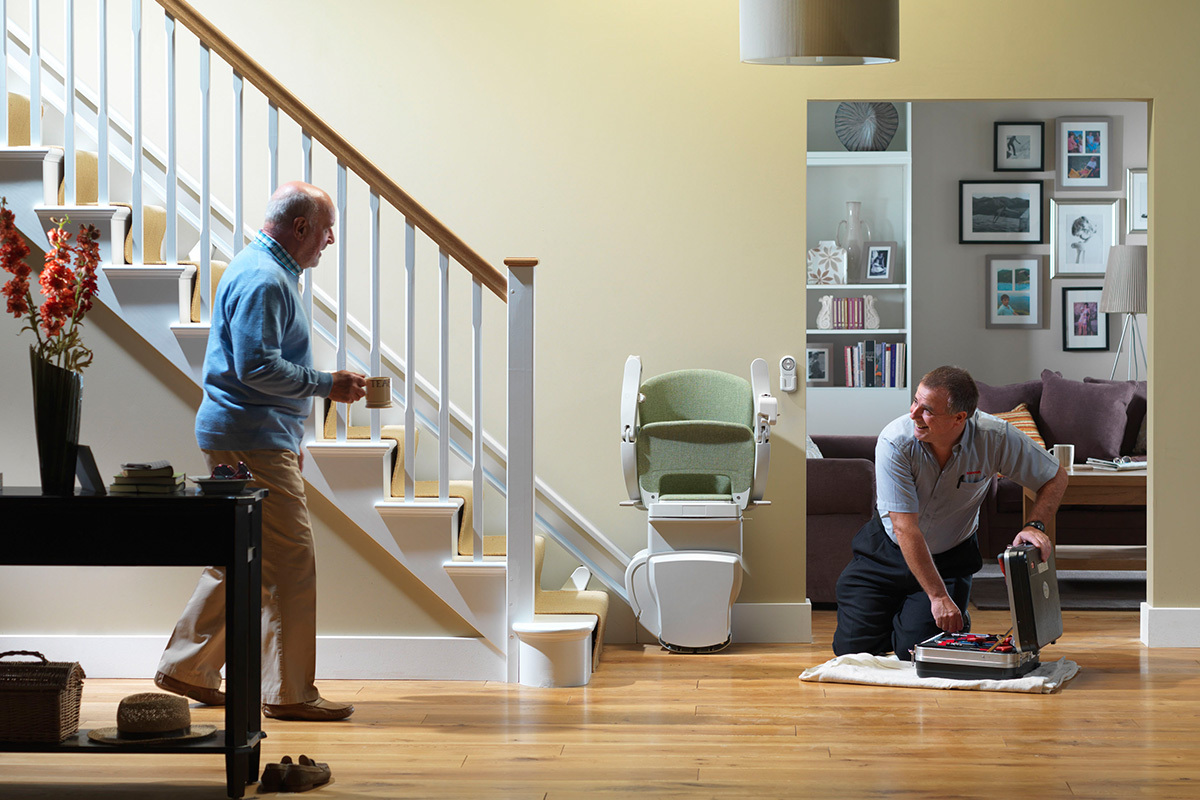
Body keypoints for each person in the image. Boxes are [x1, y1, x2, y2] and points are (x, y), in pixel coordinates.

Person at [155, 182, 367, 721]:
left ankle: (188, 665)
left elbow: (252, 370)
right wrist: (327, 385)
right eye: (326, 229)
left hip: (251, 435)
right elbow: (256, 367)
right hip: (249, 435)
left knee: (242, 554)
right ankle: (289, 693)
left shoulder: (264, 271)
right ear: (300, 229)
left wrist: (289, 439)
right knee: (290, 563)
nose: (331, 240)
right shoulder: (264, 279)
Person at [831, 366, 1068, 661]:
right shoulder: (895, 441)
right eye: (915, 401)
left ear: (959, 418)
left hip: (948, 559)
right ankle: (907, 613)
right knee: (852, 652)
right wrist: (938, 597)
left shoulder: (995, 438)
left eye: (927, 409)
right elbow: (905, 528)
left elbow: (1055, 476)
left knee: (917, 652)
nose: (914, 413)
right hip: (887, 552)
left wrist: (1035, 525)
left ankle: (939, 620)